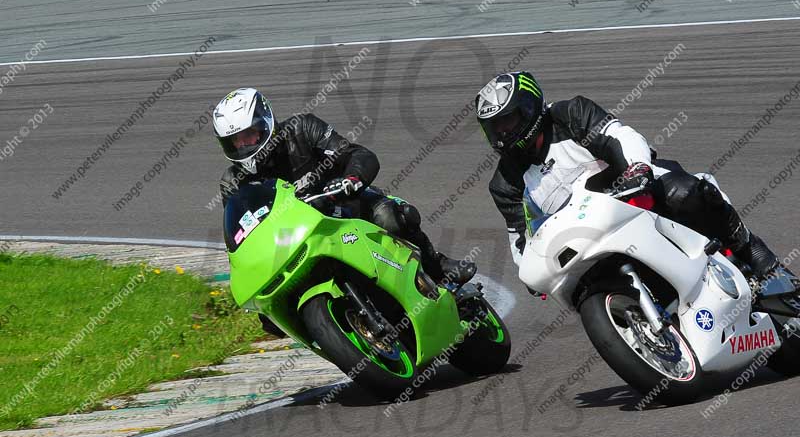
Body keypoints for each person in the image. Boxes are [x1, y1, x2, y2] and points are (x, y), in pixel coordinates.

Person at [475, 71, 779, 287]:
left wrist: (637, 169)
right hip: (585, 241)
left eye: (508, 121)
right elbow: (520, 241)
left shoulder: (571, 114)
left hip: (634, 197)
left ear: (529, 108)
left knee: (685, 193)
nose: (502, 133)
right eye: (494, 128)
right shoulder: (505, 184)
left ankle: (748, 248)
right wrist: (529, 271)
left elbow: (620, 136)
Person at [213, 88, 476, 334]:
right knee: (272, 314)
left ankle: (439, 269)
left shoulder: (301, 129)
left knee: (391, 217)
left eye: (250, 134)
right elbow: (240, 232)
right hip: (293, 240)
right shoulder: (232, 181)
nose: (244, 145)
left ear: (267, 122)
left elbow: (357, 154)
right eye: (235, 141)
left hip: (345, 206)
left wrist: (351, 179)